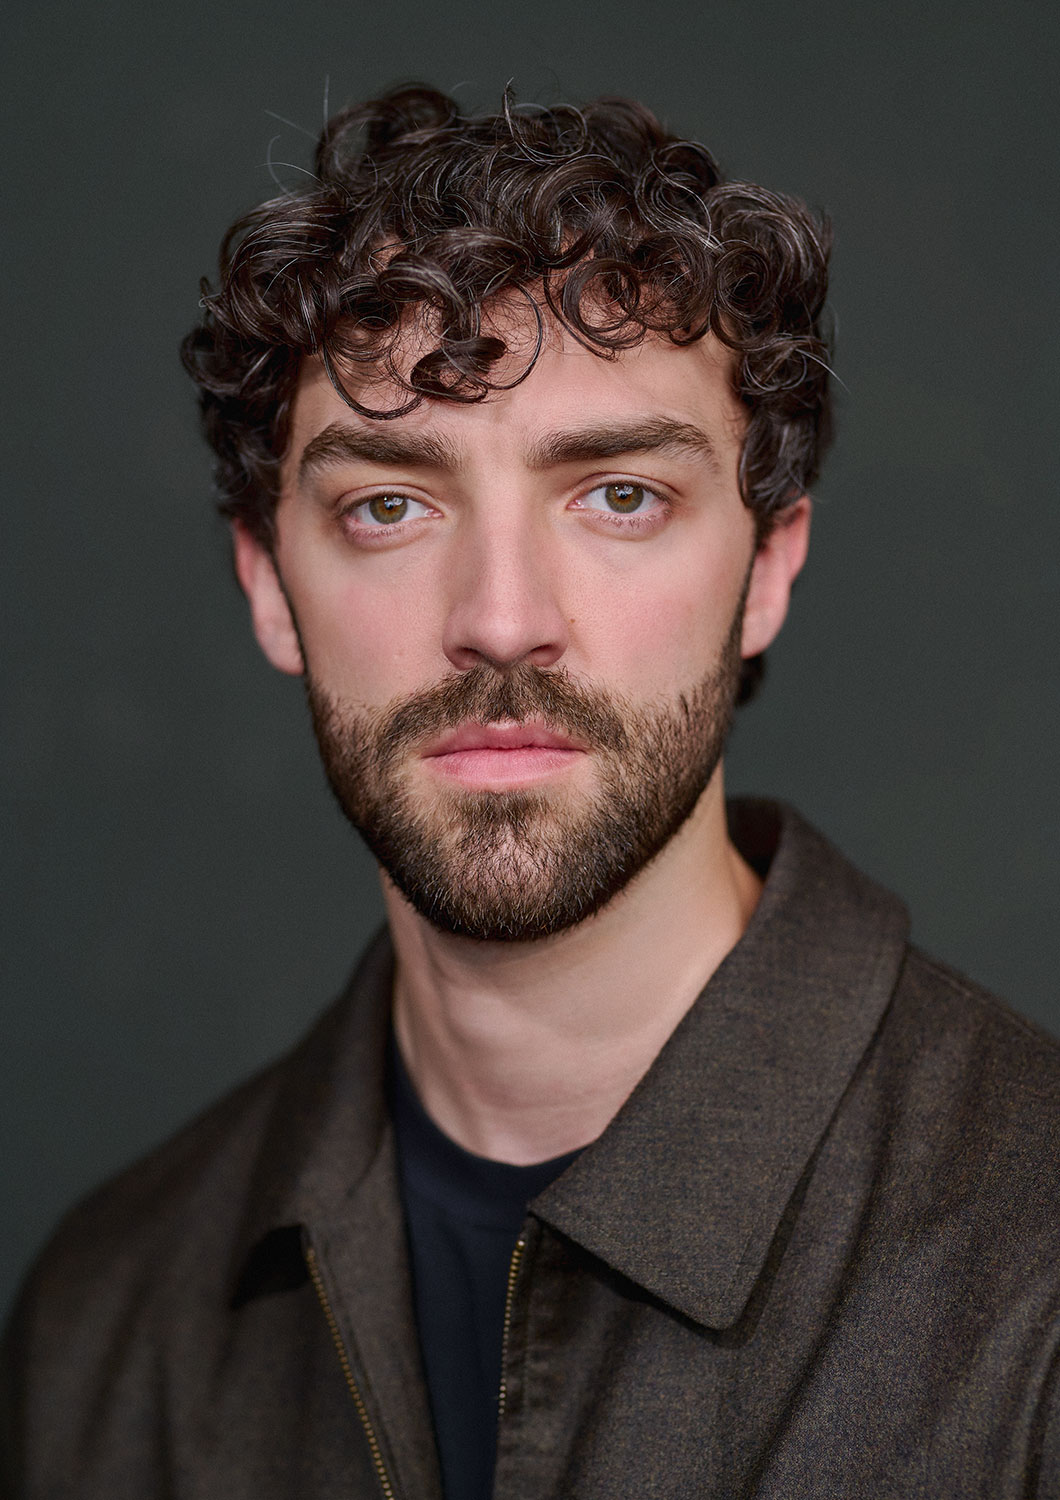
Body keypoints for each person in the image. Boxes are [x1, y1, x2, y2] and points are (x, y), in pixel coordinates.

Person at [3, 84, 1059, 1500]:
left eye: (619, 494)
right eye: (390, 504)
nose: (501, 621)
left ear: (769, 567)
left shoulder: (1034, 1272)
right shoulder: (107, 1327)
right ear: (268, 582)